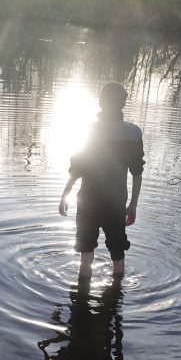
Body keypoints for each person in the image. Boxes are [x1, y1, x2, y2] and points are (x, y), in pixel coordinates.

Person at [58, 83, 144, 279]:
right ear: (123, 103)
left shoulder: (89, 130)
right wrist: (133, 205)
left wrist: (65, 195)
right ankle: (116, 298)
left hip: (88, 202)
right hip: (116, 203)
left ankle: (81, 298)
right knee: (117, 251)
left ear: (101, 102)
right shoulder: (133, 133)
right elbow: (137, 172)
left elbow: (77, 168)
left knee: (85, 254)